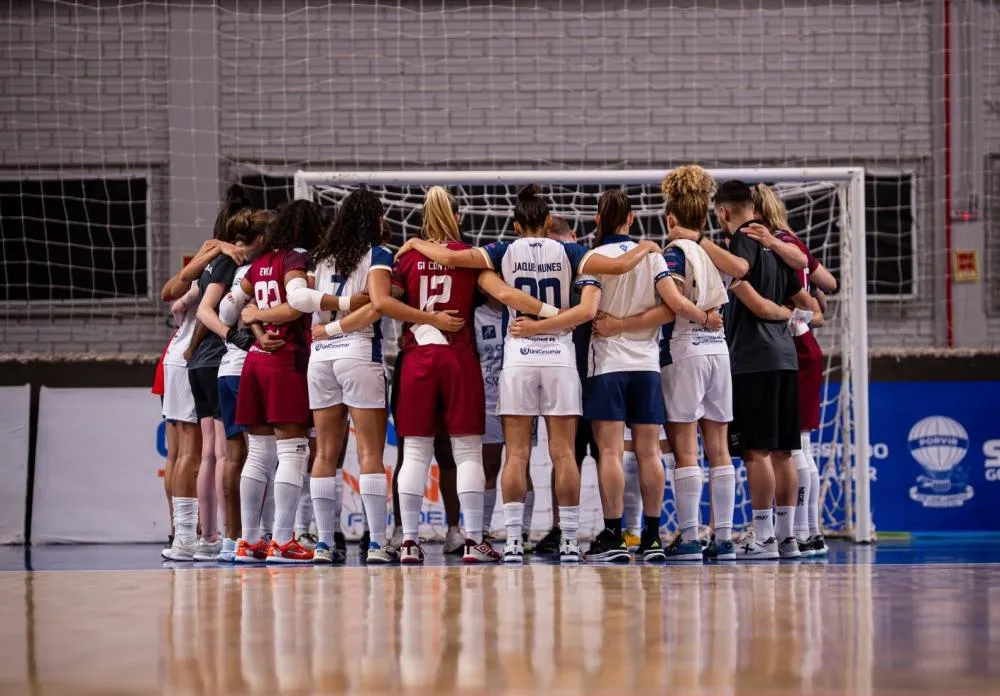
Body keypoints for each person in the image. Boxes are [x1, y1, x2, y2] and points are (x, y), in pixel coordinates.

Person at [397, 185, 660, 563]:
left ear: (516, 223)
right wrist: (647, 247)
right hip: (559, 359)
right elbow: (617, 267)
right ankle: (569, 540)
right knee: (564, 454)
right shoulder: (570, 251)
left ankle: (515, 541)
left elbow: (452, 256)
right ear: (549, 221)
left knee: (516, 455)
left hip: (519, 358)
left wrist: (416, 244)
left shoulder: (501, 250)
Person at [375, 186, 550, 564]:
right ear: (455, 217)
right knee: (468, 452)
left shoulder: (405, 258)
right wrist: (552, 312)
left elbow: (383, 301)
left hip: (417, 358)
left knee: (415, 453)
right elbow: (504, 294)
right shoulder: (471, 259)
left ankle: (407, 541)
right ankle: (473, 540)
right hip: (458, 356)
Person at [669, 179, 814, 560]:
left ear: (723, 212)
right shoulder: (777, 246)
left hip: (754, 359)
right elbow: (806, 273)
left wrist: (698, 241)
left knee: (757, 453)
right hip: (786, 358)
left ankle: (764, 537)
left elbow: (755, 297)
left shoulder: (738, 247)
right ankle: (788, 537)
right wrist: (793, 313)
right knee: (785, 454)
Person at [287, 189, 406, 564]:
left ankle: (323, 542)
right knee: (370, 452)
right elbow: (376, 308)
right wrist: (338, 327)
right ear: (373, 218)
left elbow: (299, 300)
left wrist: (325, 327)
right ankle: (376, 545)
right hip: (357, 352)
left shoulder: (319, 257)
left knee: (324, 452)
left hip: (320, 359)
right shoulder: (378, 255)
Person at [221, 199, 323, 564]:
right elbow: (297, 306)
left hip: (254, 363)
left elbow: (228, 310)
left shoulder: (258, 263)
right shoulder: (296, 260)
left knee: (259, 456)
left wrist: (254, 323)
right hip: (285, 361)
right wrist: (264, 318)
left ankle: (248, 542)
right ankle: (282, 541)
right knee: (293, 453)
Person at [752, 183, 835, 557]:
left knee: (793, 447)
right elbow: (828, 284)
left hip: (794, 348)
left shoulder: (769, 245)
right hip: (804, 343)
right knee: (800, 447)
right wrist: (814, 304)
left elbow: (805, 275)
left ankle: (804, 532)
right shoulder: (793, 241)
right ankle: (808, 531)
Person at [159, 230, 248, 561]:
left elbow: (170, 293)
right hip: (192, 358)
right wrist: (212, 251)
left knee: (183, 454)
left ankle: (187, 535)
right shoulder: (220, 268)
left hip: (181, 358)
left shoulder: (207, 271)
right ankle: (190, 537)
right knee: (197, 454)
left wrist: (207, 253)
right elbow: (170, 292)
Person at [214, 209, 274, 562]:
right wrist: (256, 324)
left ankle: (231, 539)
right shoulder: (264, 270)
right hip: (249, 368)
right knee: (264, 456)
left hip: (227, 368)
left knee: (235, 457)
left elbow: (223, 314)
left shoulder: (241, 272)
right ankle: (258, 537)